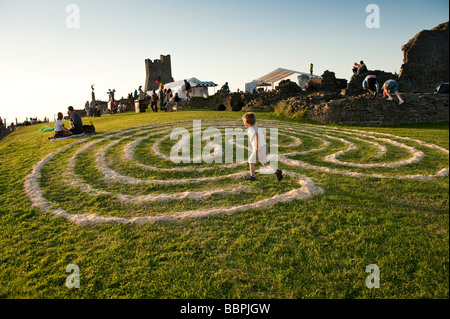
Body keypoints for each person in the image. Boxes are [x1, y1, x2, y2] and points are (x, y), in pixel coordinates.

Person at [242, 112, 283, 182]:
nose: (243, 123)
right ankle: (277, 171)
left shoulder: (250, 129)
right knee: (265, 163)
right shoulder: (256, 127)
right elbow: (265, 133)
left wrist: (257, 147)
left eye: (244, 122)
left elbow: (257, 135)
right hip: (264, 146)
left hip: (259, 148)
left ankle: (252, 176)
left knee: (251, 162)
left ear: (247, 123)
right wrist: (263, 140)